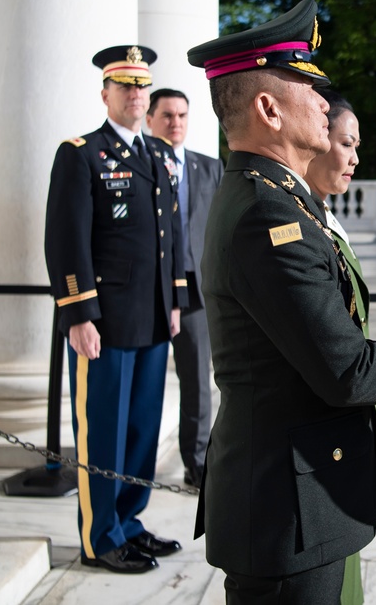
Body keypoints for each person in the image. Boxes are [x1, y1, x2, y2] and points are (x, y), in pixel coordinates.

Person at [186, 0, 376, 604]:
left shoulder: (275, 197)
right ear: (269, 109)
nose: (325, 101)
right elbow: (346, 369)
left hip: (300, 493)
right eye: (307, 85)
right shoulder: (266, 214)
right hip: (284, 509)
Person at [44, 45, 188, 574]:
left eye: (141, 85)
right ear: (105, 93)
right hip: (103, 322)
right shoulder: (81, 153)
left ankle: (129, 522)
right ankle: (100, 537)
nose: (134, 94)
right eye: (124, 85)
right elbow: (66, 241)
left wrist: (174, 300)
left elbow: (167, 235)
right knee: (103, 429)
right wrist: (78, 314)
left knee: (142, 429)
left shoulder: (156, 153)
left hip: (151, 317)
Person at [304, 89, 365, 605]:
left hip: (338, 441)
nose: (354, 157)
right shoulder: (294, 224)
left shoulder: (324, 217)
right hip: (312, 454)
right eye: (346, 142)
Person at [145, 87, 224, 488]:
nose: (175, 123)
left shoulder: (210, 168)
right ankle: (134, 465)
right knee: (144, 381)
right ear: (150, 120)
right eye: (167, 116)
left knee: (196, 380)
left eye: (182, 116)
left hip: (194, 291)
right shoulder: (137, 164)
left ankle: (197, 463)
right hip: (146, 291)